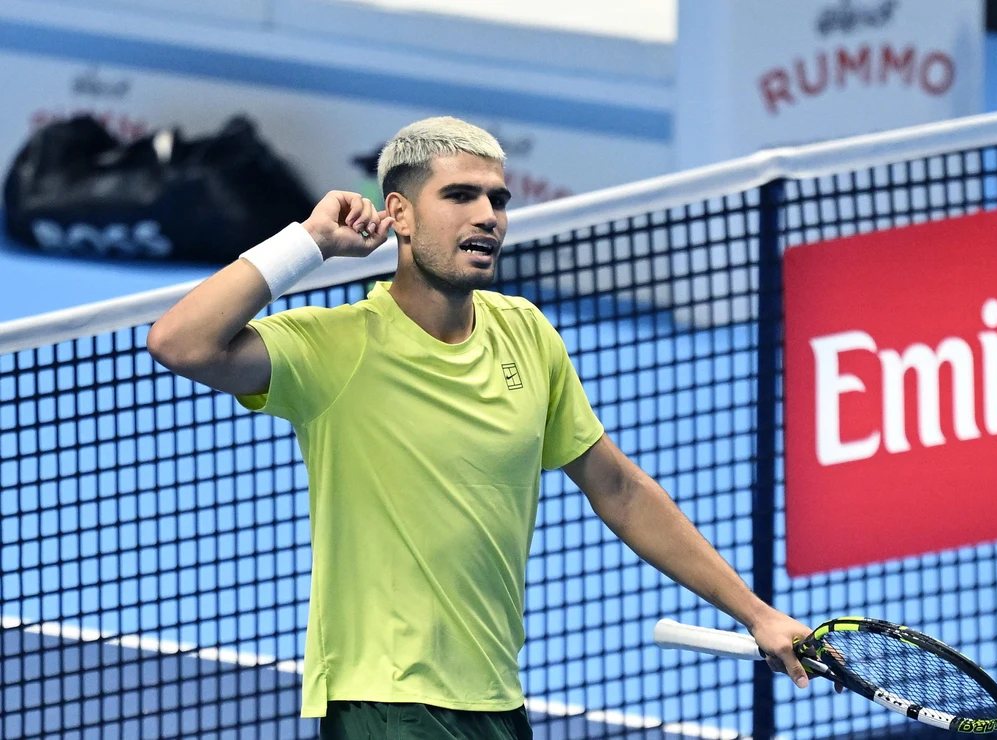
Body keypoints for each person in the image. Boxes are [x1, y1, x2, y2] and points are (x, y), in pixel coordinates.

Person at [147, 116, 814, 740]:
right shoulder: (336, 348)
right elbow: (180, 342)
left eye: (498, 200)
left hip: (494, 698)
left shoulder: (526, 333)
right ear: (399, 214)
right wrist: (310, 243)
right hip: (386, 701)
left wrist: (756, 614)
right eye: (461, 195)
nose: (487, 216)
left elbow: (620, 487)